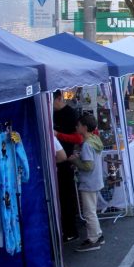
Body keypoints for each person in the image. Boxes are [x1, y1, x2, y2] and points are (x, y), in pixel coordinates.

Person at [69, 114, 105, 252]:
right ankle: (98, 234)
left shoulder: (86, 145)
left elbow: (88, 166)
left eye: (78, 125)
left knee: (89, 212)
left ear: (84, 127)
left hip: (88, 182)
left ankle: (93, 239)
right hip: (95, 180)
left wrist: (75, 161)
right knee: (92, 210)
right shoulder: (95, 140)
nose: (76, 127)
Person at [53, 90, 81, 242]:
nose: (50, 106)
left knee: (67, 197)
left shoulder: (70, 113)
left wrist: (58, 135)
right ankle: (61, 229)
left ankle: (71, 230)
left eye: (52, 102)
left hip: (66, 161)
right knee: (58, 197)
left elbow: (78, 138)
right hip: (54, 161)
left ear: (59, 98)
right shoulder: (49, 113)